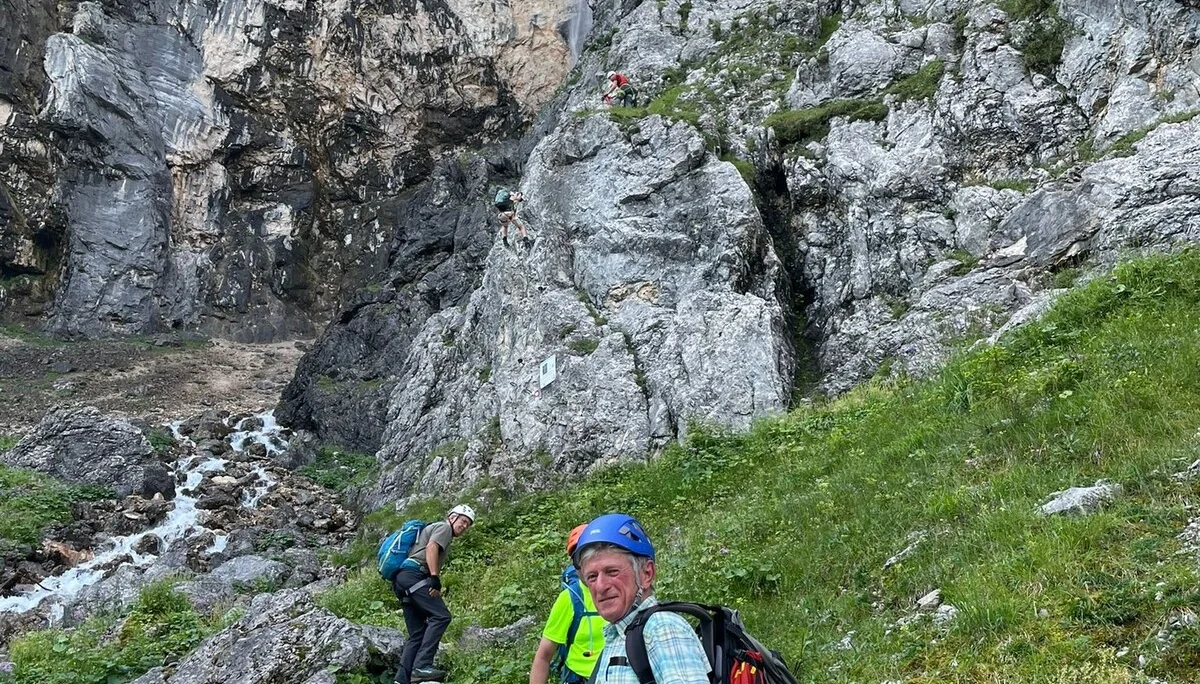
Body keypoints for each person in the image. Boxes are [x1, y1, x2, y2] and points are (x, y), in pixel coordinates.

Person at [572, 514, 710, 684]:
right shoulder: (618, 635)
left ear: (647, 574)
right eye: (592, 577)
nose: (600, 586)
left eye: (612, 571)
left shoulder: (662, 628)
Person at [391, 504, 477, 684]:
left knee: (417, 632)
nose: (464, 526)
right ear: (452, 517)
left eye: (468, 525)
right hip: (415, 575)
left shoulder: (434, 527)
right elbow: (431, 548)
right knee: (441, 616)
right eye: (462, 521)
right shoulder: (444, 527)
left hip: (402, 580)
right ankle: (422, 667)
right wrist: (434, 577)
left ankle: (402, 679)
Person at [530, 525, 607, 684]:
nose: (587, 566)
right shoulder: (570, 598)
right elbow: (544, 655)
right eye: (580, 559)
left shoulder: (625, 591)